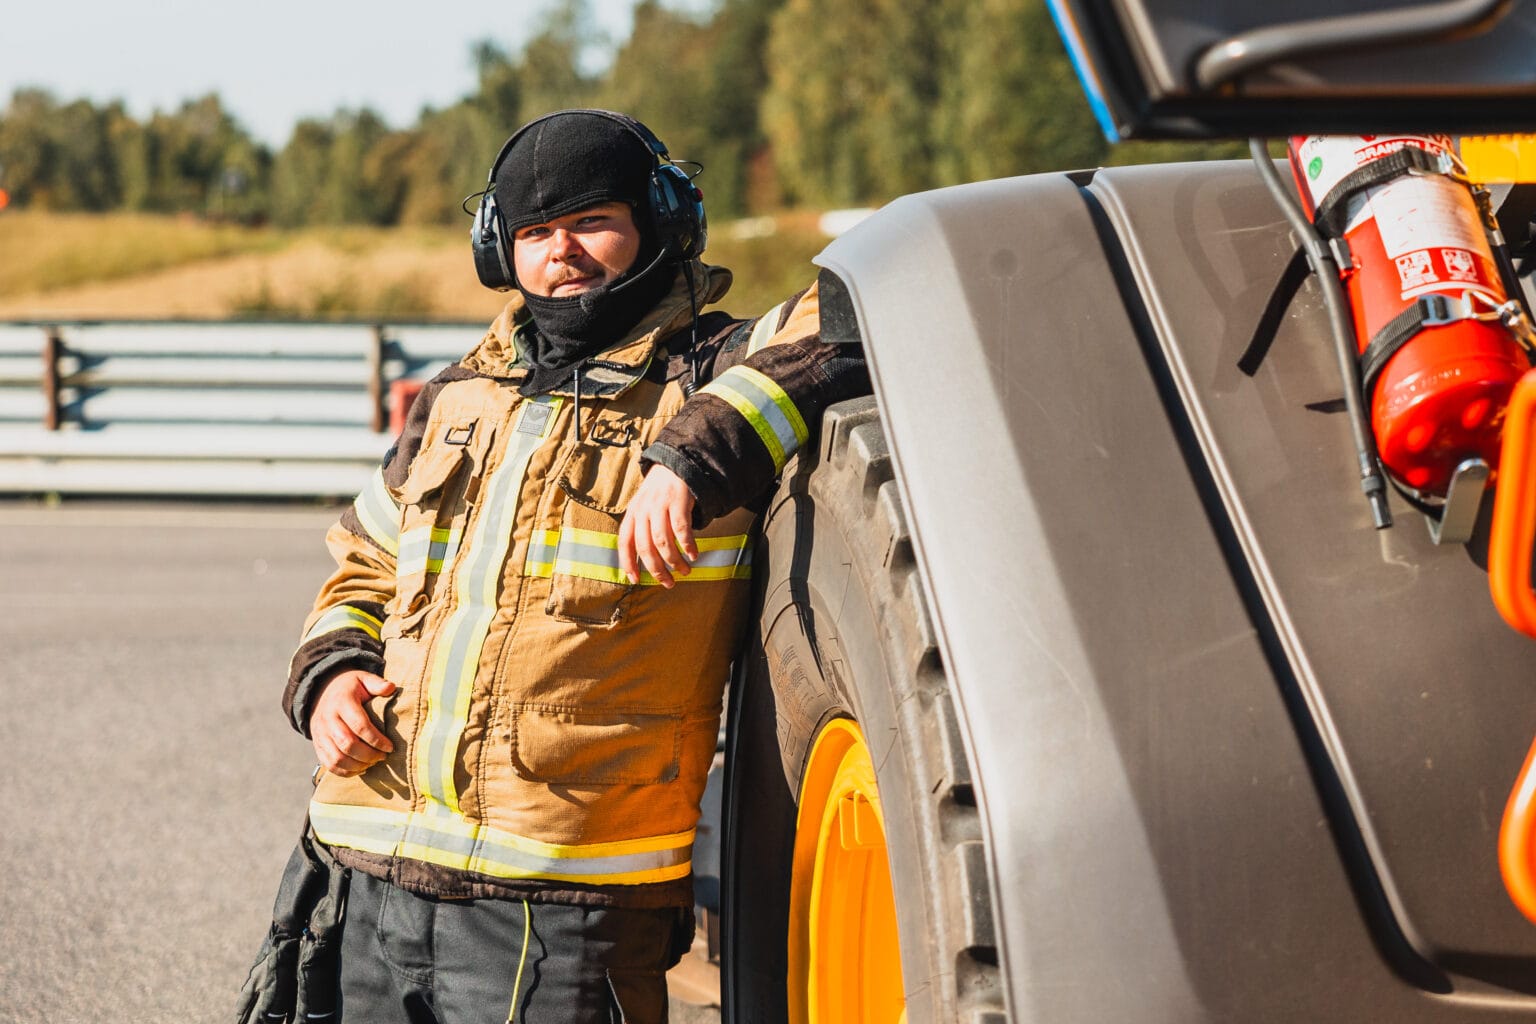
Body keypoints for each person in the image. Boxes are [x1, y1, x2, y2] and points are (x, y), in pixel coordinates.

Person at [264, 109, 869, 1023]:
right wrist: (331, 675)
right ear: (498, 251)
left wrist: (698, 452)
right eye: (535, 233)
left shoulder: (713, 366)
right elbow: (363, 564)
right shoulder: (458, 395)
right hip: (360, 863)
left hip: (559, 898)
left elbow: (863, 312)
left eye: (592, 221)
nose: (563, 252)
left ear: (662, 220)